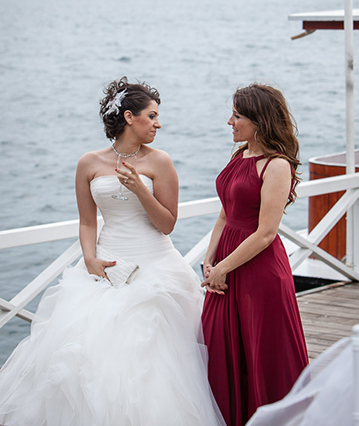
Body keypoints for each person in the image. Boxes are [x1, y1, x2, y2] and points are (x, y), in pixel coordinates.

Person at [0, 77, 225, 426]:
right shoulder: (88, 163)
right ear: (130, 117)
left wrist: (141, 190)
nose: (158, 124)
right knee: (85, 361)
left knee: (154, 364)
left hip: (156, 266)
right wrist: (90, 259)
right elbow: (88, 222)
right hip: (105, 267)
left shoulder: (161, 162)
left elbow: (167, 224)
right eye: (152, 116)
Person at [201, 83, 309, 426]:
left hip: (259, 271)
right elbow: (225, 212)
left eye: (236, 115)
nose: (229, 121)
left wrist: (223, 268)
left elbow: (266, 232)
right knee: (217, 345)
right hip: (225, 262)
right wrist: (209, 258)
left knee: (263, 353)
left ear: (258, 120)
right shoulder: (239, 156)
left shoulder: (276, 165)